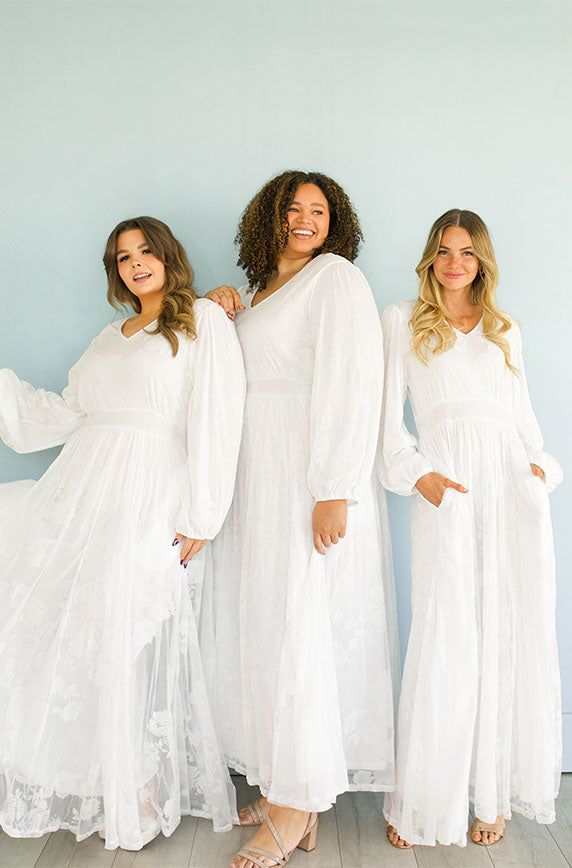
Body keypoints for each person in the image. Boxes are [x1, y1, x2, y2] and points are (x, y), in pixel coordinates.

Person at [0, 216, 245, 850]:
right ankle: (104, 781)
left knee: (126, 626)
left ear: (168, 256)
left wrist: (203, 515)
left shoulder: (202, 323)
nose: (134, 264)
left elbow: (219, 418)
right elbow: (63, 414)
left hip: (151, 491)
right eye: (121, 258)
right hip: (83, 490)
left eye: (144, 252)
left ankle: (138, 790)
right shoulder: (109, 338)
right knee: (71, 627)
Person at [204, 171, 398, 868]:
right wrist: (217, 309)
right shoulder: (257, 295)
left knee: (302, 624)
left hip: (306, 473)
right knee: (263, 626)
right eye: (292, 209)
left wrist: (335, 486)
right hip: (256, 477)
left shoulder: (335, 279)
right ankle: (288, 783)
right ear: (269, 219)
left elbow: (353, 378)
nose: (304, 220)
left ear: (334, 223)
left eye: (318, 210)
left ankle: (296, 805)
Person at [380, 209, 563, 849]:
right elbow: (386, 427)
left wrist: (537, 473)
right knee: (446, 631)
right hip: (448, 493)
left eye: (468, 251)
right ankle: (425, 799)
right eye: (444, 250)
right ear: (430, 257)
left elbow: (527, 427)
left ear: (483, 260)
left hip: (510, 491)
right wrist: (420, 478)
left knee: (502, 631)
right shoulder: (402, 321)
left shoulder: (504, 330)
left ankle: (491, 792)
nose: (455, 262)